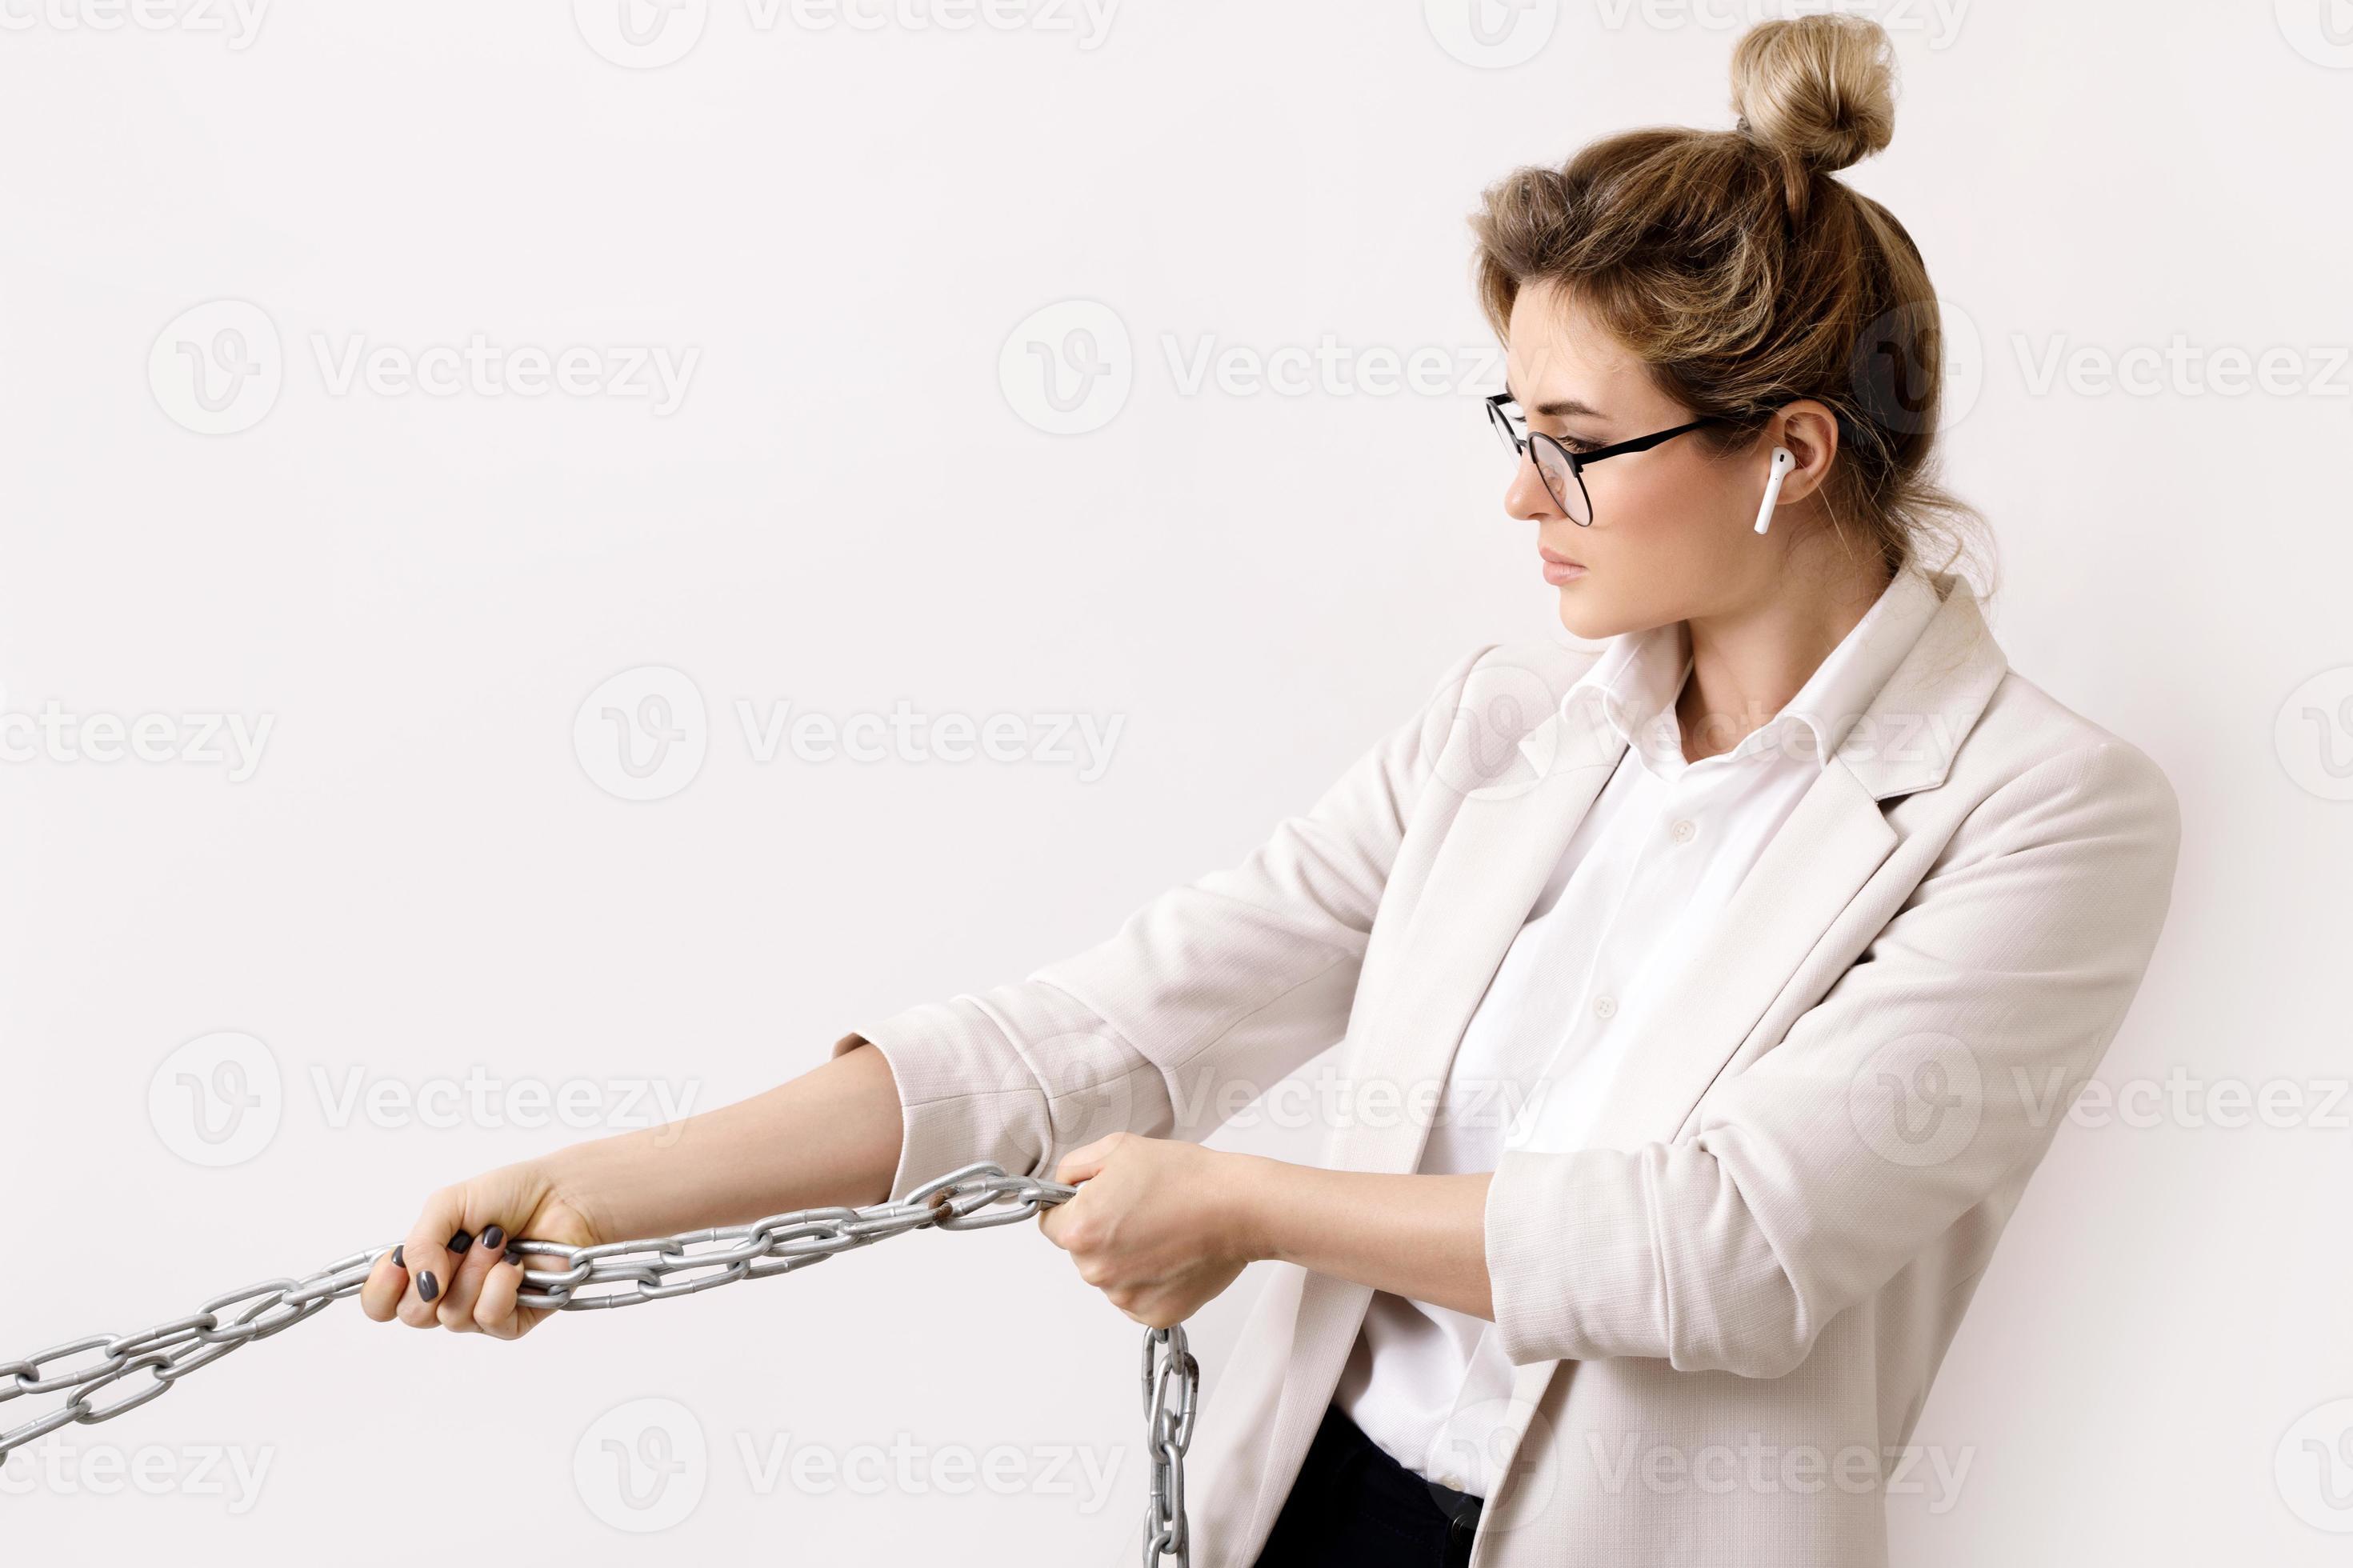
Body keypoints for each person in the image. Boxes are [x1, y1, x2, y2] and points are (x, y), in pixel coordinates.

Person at [360, 16, 2182, 1566]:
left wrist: (1244, 1206)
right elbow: (1105, 1027)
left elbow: (1725, 1249)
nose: (1519, 499)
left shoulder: (2041, 814)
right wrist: (600, 1184)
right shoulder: (1499, 736)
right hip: (1308, 1505)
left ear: (1786, 454)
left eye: (1573, 448)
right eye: (1512, 432)